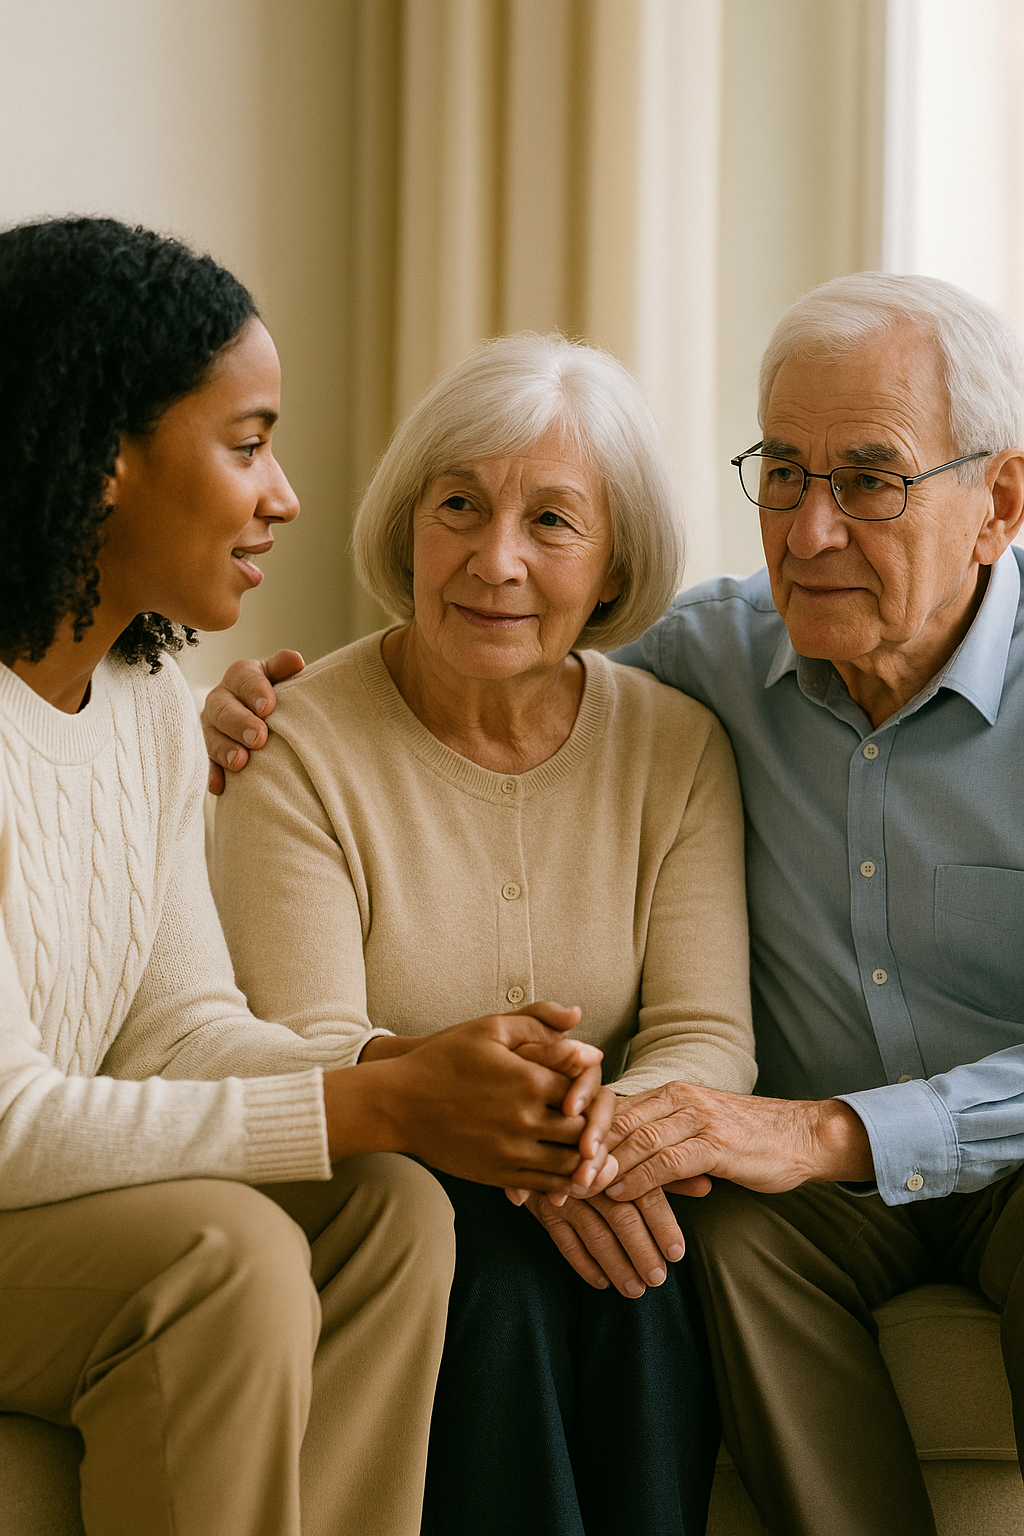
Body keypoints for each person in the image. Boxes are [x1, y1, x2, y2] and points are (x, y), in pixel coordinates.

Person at [210, 274, 1024, 1536]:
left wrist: (805, 1133)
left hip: (984, 1156)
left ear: (999, 505)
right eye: (783, 474)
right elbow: (497, 663)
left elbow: (701, 1027)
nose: (811, 531)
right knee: (697, 1253)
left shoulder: (676, 721)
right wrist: (206, 724)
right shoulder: (710, 662)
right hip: (752, 1200)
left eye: (870, 480)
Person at [0, 217, 613, 1536]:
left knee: (391, 1209)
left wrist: (403, 1072)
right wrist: (369, 1102)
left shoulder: (147, 706)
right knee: (226, 1257)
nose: (283, 495)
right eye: (247, 444)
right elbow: (8, 1123)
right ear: (104, 458)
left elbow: (176, 1029)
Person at [201, 331, 757, 1536]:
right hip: (383, 1182)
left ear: (612, 566)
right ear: (410, 526)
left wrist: (576, 1154)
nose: (492, 560)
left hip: (595, 1175)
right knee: (495, 1276)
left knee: (646, 1277)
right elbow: (309, 1041)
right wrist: (519, 1155)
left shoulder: (677, 747)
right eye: (457, 505)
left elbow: (704, 1034)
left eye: (551, 521)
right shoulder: (291, 744)